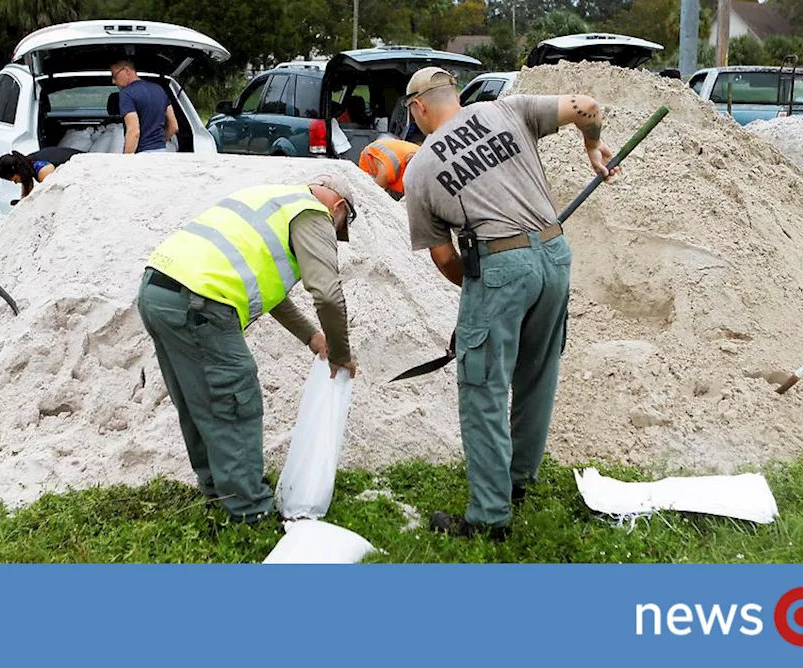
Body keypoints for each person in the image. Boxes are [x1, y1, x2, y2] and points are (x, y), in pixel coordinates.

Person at [401, 66, 621, 540]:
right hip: (555, 254)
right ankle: (518, 481)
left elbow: (443, 258)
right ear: (454, 97)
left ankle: (489, 516)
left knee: (483, 388)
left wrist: (482, 294)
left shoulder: (419, 169)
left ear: (418, 108)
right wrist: (592, 146)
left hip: (499, 264)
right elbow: (586, 105)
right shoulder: (506, 109)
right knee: (537, 375)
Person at [136, 175, 361, 524]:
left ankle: (217, 488)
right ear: (339, 208)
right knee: (234, 399)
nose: (334, 234)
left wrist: (313, 338)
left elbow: (268, 290)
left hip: (157, 290)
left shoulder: (273, 199)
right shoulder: (313, 214)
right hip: (201, 302)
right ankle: (249, 511)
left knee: (197, 398)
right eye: (340, 228)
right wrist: (340, 353)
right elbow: (328, 294)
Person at [111, 58, 177, 154]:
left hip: (142, 156)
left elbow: (134, 132)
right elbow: (174, 126)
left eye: (114, 76)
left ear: (126, 70)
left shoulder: (126, 93)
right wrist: (159, 143)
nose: (113, 81)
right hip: (162, 153)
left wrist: (125, 160)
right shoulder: (159, 90)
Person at [0, 146, 84, 204]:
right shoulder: (26, 164)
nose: (16, 183)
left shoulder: (43, 170)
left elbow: (52, 196)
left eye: (15, 179)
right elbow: (26, 197)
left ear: (19, 172)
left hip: (86, 167)